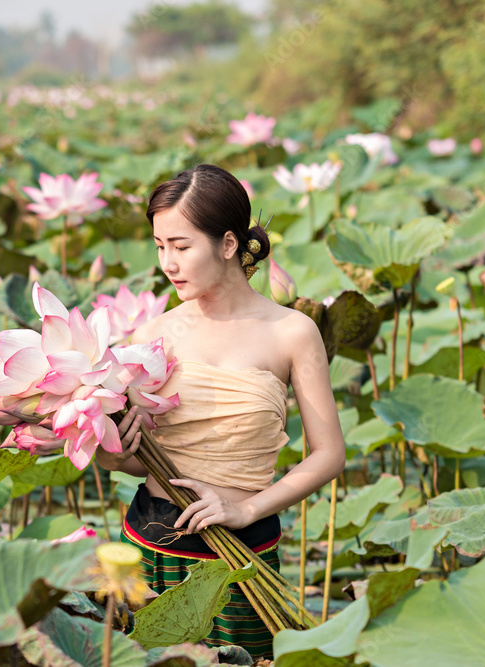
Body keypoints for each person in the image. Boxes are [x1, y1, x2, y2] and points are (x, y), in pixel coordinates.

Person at [96, 163, 346, 660]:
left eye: (182, 246)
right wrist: (111, 452)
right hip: (151, 538)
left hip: (245, 548)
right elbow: (139, 460)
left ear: (228, 244)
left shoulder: (291, 332)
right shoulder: (151, 337)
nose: (168, 262)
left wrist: (248, 508)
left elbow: (329, 454)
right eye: (159, 245)